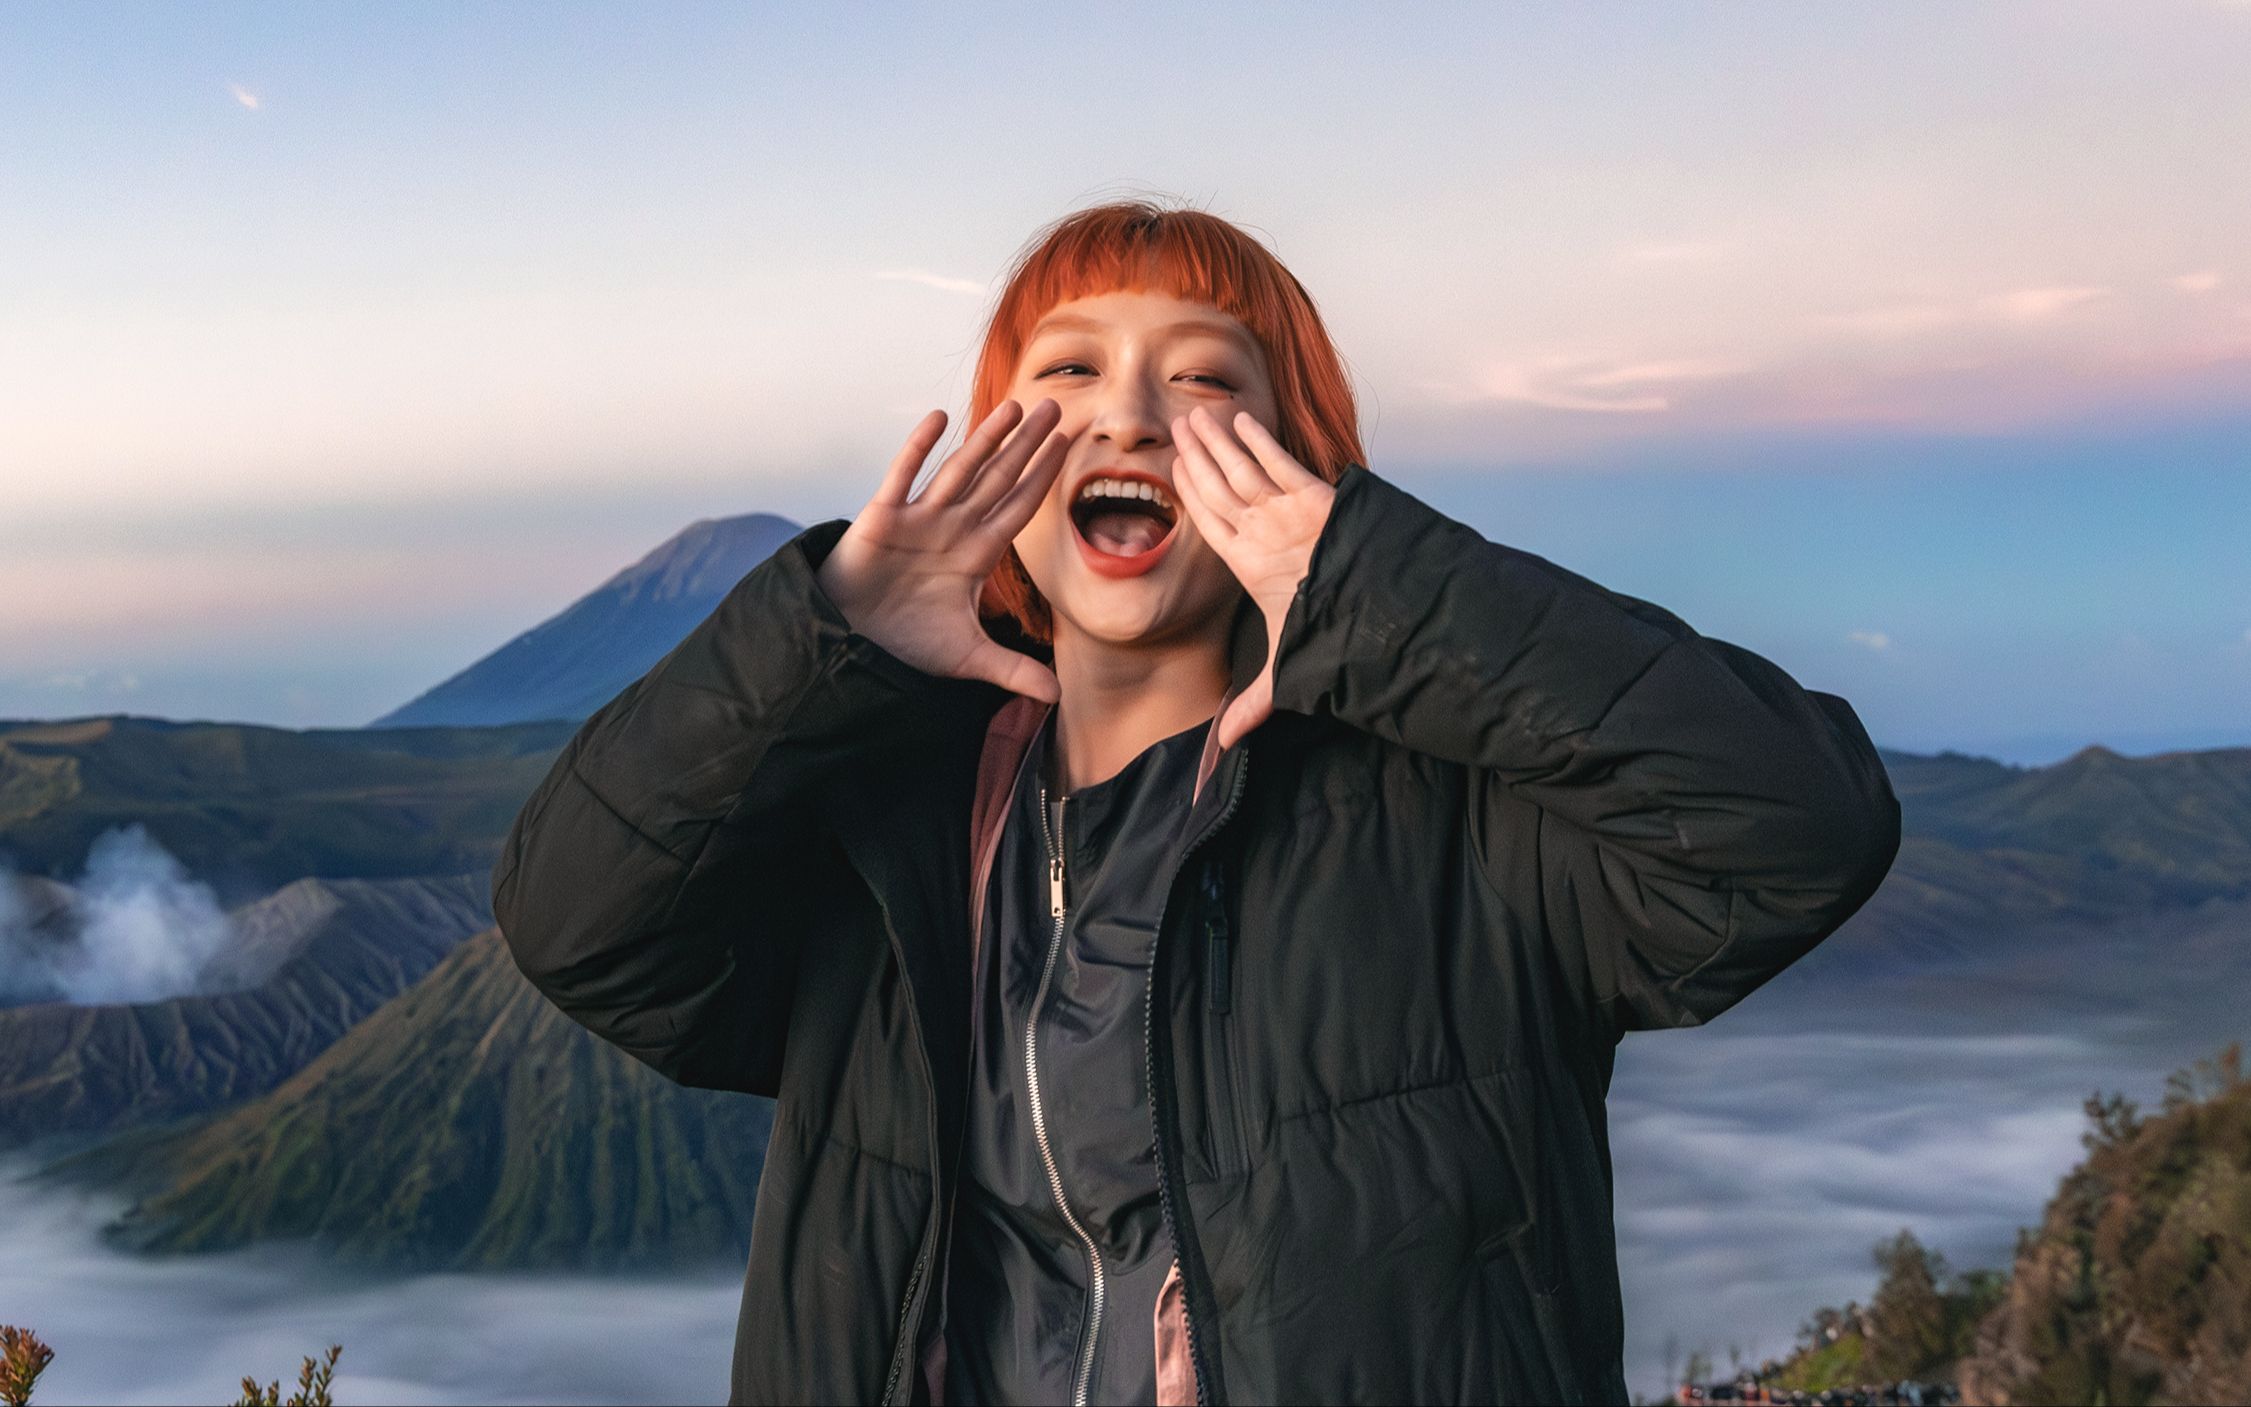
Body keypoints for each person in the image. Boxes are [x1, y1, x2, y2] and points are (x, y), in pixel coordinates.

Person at [491, 199, 1902, 1406]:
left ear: (1301, 465)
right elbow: (576, 921)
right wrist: (830, 636)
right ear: (995, 457)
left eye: (1206, 379)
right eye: (1071, 370)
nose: (1130, 413)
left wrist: (1374, 591)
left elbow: (1796, 833)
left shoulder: (1469, 826)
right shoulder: (883, 837)